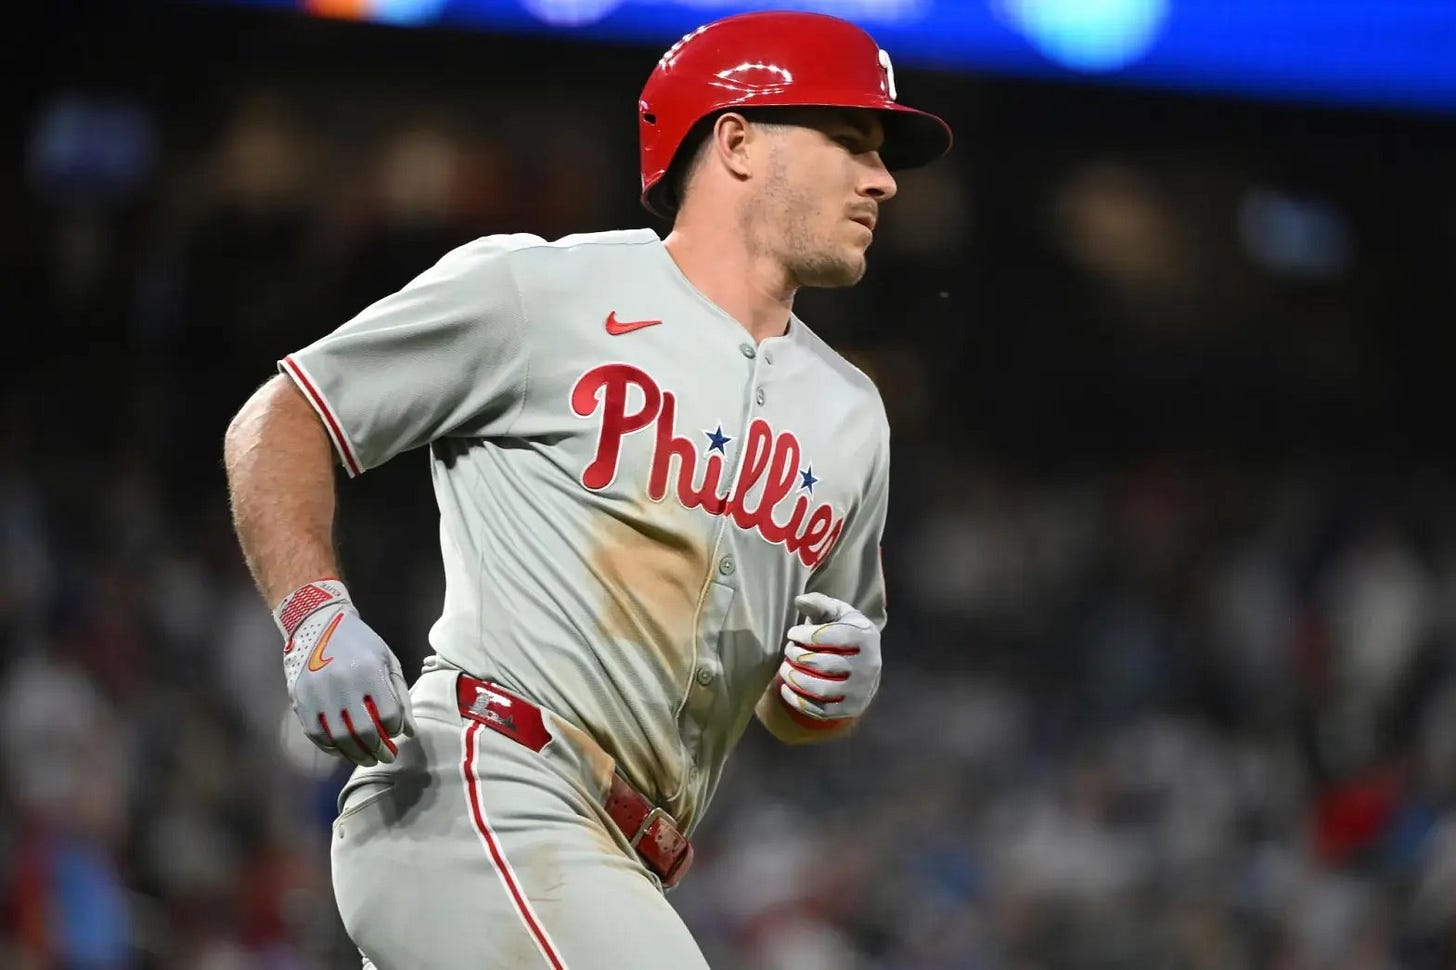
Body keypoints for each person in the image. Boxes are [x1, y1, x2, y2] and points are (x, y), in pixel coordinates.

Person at [222, 9, 952, 969]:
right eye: (851, 140)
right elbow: (284, 416)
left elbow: (802, 691)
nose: (882, 178)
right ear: (737, 142)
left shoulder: (852, 414)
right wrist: (314, 614)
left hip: (624, 860)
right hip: (481, 793)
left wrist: (832, 689)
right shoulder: (543, 292)